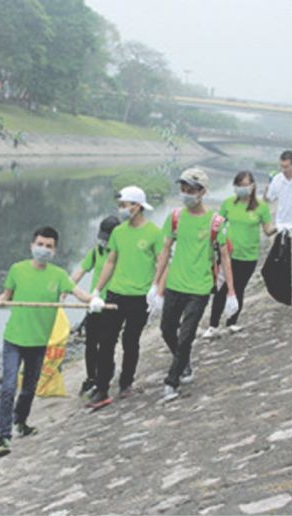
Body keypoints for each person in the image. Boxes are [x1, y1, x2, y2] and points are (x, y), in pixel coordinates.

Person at [0, 227, 104, 457]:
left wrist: (94, 300)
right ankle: (2, 437)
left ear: (55, 250)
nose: (43, 249)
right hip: (14, 339)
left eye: (49, 246)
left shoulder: (58, 275)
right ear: (32, 245)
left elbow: (78, 293)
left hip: (39, 342)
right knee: (8, 387)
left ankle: (21, 422)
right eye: (40, 244)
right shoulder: (17, 270)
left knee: (29, 388)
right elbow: (6, 296)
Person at [149, 168, 237, 402]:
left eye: (191, 190)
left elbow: (225, 257)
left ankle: (172, 381)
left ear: (203, 192)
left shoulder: (216, 222)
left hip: (199, 287)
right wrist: (156, 285)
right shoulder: (176, 217)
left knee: (186, 335)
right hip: (175, 284)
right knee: (167, 329)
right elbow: (166, 250)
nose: (186, 194)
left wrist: (231, 292)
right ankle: (184, 362)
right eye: (183, 189)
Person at [86, 186, 164, 409]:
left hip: (140, 297)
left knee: (131, 341)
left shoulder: (153, 233)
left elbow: (162, 262)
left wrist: (156, 290)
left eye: (124, 205)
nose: (121, 209)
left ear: (137, 206)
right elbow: (111, 261)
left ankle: (126, 383)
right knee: (106, 341)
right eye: (120, 205)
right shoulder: (118, 233)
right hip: (116, 294)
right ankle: (101, 388)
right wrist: (97, 291)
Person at [203, 171, 276, 339]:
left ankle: (232, 322)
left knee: (239, 288)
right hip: (228, 254)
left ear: (252, 186)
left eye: (246, 185)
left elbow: (267, 229)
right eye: (240, 185)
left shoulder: (260, 207)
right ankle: (213, 326)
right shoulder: (228, 204)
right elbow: (217, 225)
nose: (243, 189)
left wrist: (279, 228)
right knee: (223, 290)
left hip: (249, 255)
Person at [70, 216, 121, 396]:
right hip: (94, 304)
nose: (104, 241)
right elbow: (79, 272)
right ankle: (91, 377)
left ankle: (104, 376)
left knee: (107, 343)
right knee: (90, 343)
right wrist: (66, 289)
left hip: (113, 305)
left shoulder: (122, 253)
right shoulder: (96, 252)